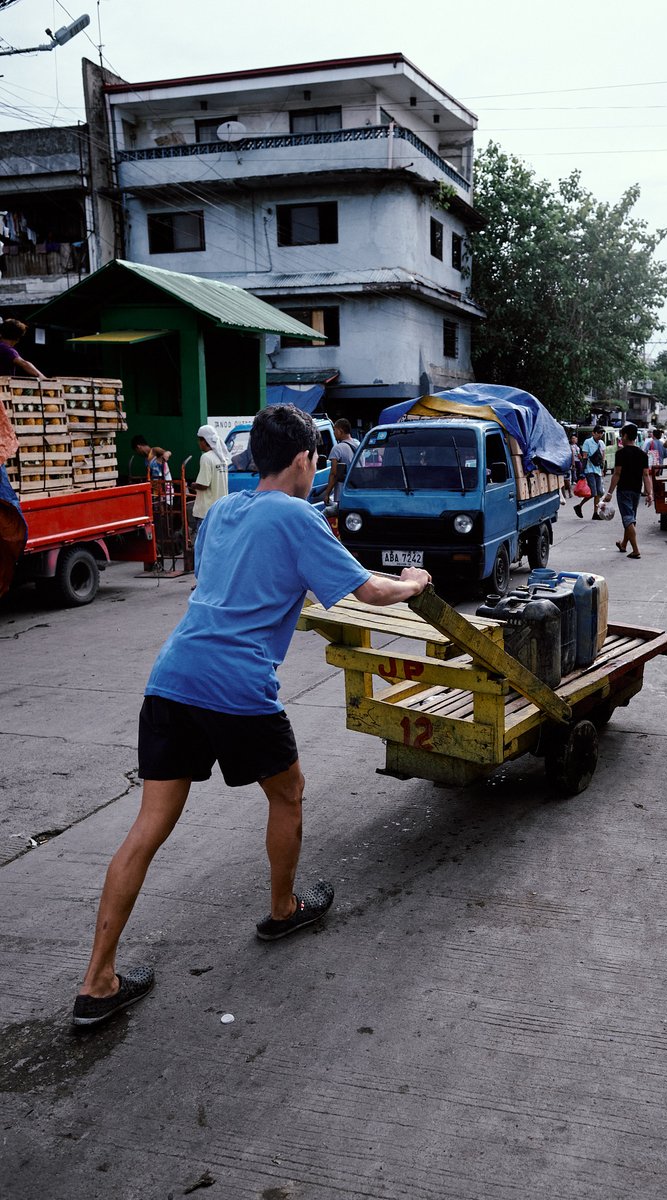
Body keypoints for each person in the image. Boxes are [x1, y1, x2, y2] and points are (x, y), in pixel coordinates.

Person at [72, 404, 431, 1028]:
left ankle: (97, 983)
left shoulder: (222, 512)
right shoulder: (298, 514)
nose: (316, 471)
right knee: (287, 791)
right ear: (301, 461)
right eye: (315, 460)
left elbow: (235, 589)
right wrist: (414, 581)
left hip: (172, 676)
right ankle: (283, 909)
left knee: (149, 825)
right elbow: (368, 592)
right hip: (235, 685)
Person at [602, 422, 653, 559]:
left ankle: (636, 550)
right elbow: (646, 475)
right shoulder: (643, 455)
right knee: (631, 518)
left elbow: (617, 474)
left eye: (621, 436)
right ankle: (624, 544)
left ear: (625, 436)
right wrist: (649, 493)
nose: (621, 439)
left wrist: (609, 493)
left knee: (628, 518)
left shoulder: (621, 453)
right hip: (636, 490)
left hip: (624, 490)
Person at [190, 423, 231, 533]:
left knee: (203, 545)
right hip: (220, 510)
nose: (199, 443)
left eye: (199, 440)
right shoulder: (222, 458)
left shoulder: (206, 457)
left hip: (206, 512)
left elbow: (204, 484)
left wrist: (193, 485)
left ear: (205, 441)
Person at [322, 418, 360, 506]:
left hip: (343, 493)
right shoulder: (359, 444)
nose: (334, 433)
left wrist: (327, 493)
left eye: (335, 430)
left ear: (340, 431)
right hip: (357, 490)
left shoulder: (337, 448)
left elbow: (334, 473)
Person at [575, 426, 606, 519]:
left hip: (597, 470)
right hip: (589, 470)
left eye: (601, 433)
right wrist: (582, 472)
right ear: (593, 433)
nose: (600, 435)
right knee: (593, 493)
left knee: (599, 492)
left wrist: (602, 468)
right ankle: (582, 507)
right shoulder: (587, 442)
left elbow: (603, 457)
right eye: (598, 432)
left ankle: (593, 512)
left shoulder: (601, 443)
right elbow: (584, 457)